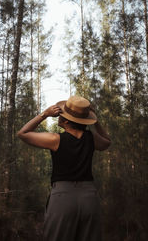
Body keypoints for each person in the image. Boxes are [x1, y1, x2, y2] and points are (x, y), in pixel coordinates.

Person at [17, 95, 111, 241]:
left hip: (63, 198)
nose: (59, 115)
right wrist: (96, 121)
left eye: (62, 114)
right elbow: (107, 142)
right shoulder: (91, 138)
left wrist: (44, 114)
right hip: (90, 198)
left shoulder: (55, 139)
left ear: (66, 121)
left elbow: (22, 133)